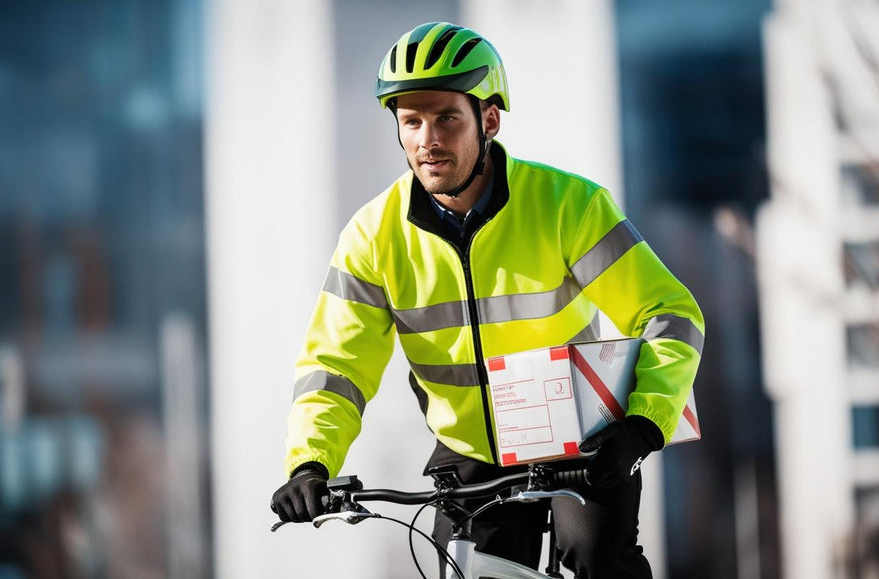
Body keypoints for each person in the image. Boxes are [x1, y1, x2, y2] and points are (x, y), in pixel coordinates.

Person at [270, 22, 704, 578]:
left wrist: (643, 425)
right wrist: (310, 462)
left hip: (587, 443)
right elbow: (334, 367)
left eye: (447, 117)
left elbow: (671, 314)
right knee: (471, 571)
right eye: (412, 121)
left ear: (489, 119)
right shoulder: (372, 238)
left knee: (598, 561)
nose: (428, 138)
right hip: (471, 454)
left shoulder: (568, 206)